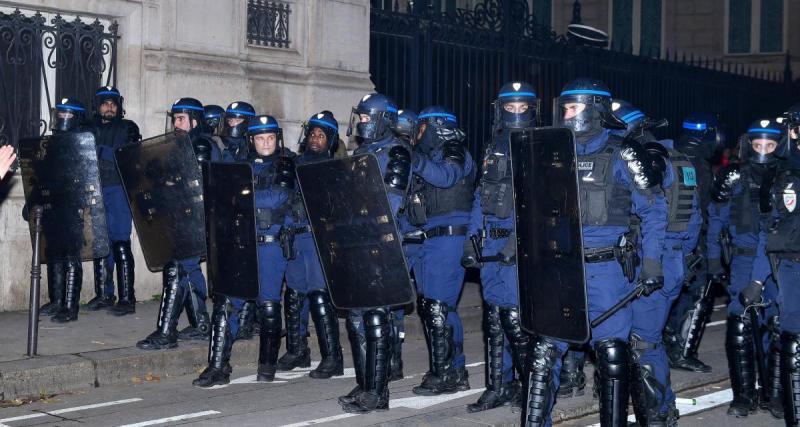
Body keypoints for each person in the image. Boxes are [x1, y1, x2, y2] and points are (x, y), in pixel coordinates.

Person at [522, 78, 668, 426]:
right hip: (561, 267)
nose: (566, 114)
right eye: (565, 108)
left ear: (594, 110)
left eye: (572, 108)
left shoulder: (623, 153)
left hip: (606, 269)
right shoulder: (552, 152)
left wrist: (650, 262)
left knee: (612, 355)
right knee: (543, 352)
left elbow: (653, 210)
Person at [193, 115, 294, 387]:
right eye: (260, 138)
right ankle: (217, 366)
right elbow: (221, 195)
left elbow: (278, 197)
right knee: (226, 304)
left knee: (269, 307)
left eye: (270, 138)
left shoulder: (286, 164)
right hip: (241, 243)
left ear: (277, 139)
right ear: (252, 140)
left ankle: (267, 366)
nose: (265, 143)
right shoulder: (241, 165)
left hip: (271, 246)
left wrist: (241, 196)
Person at [462, 82, 538, 413]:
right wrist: (471, 236)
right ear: (500, 109)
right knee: (492, 319)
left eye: (523, 108)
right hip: (491, 239)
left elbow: (541, 201)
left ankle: (526, 385)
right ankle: (498, 386)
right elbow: (482, 194)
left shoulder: (540, 145)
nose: (517, 114)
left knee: (514, 319)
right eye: (511, 108)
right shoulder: (492, 146)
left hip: (518, 240)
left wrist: (515, 240)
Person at [338, 93, 412, 413]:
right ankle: (366, 381)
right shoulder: (361, 152)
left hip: (381, 242)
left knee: (376, 316)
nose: (363, 123)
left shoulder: (396, 152)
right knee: (355, 317)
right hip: (355, 240)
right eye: (362, 118)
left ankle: (379, 392)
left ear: (383, 119)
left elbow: (392, 201)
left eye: (368, 118)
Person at [707, 118, 783, 418]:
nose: (763, 150)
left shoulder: (784, 178)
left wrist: (759, 280)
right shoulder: (734, 177)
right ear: (748, 145)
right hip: (741, 259)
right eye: (758, 144)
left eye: (770, 145)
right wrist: (714, 259)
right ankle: (743, 395)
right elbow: (717, 219)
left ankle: (774, 393)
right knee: (739, 328)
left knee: (776, 329)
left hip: (774, 264)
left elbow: (775, 231)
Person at [402, 105, 474, 396]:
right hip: (425, 238)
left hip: (449, 237)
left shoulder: (454, 152)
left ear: (434, 127)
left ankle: (443, 374)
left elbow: (446, 178)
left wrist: (415, 161)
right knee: (438, 308)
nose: (417, 135)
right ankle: (455, 370)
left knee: (437, 308)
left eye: (421, 129)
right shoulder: (426, 158)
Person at [136, 98, 215, 350]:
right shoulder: (178, 145)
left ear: (194, 120)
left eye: (181, 119)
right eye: (174, 119)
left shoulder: (201, 144)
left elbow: (196, 184)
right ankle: (202, 325)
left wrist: (173, 181)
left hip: (196, 220)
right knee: (189, 270)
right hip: (180, 218)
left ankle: (166, 331)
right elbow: (160, 176)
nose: (176, 123)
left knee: (176, 270)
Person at [278, 111, 345, 380]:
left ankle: (332, 357)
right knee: (293, 294)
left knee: (319, 295)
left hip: (318, 238)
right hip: (294, 234)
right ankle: (297, 351)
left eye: (321, 135)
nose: (316, 139)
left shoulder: (335, 168)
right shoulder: (293, 164)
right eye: (313, 134)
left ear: (330, 140)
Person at [664, 113, 726, 373]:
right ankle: (682, 351)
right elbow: (700, 212)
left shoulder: (671, 155)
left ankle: (666, 344)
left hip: (667, 241)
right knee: (698, 295)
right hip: (690, 242)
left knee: (669, 296)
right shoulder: (698, 165)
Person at [85, 86, 140, 316]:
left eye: (113, 103)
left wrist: (101, 151)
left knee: (119, 241)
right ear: (98, 106)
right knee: (101, 243)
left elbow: (130, 155)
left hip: (118, 189)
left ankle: (127, 298)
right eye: (105, 103)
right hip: (95, 189)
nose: (109, 107)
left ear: (118, 106)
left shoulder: (127, 127)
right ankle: (105, 294)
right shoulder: (87, 128)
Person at [33, 99, 89, 322]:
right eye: (61, 114)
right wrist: (34, 200)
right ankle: (56, 300)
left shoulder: (83, 141)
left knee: (70, 255)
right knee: (53, 252)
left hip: (72, 206)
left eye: (68, 115)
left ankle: (70, 306)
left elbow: (86, 175)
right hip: (53, 205)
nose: (63, 119)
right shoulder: (53, 142)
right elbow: (43, 175)